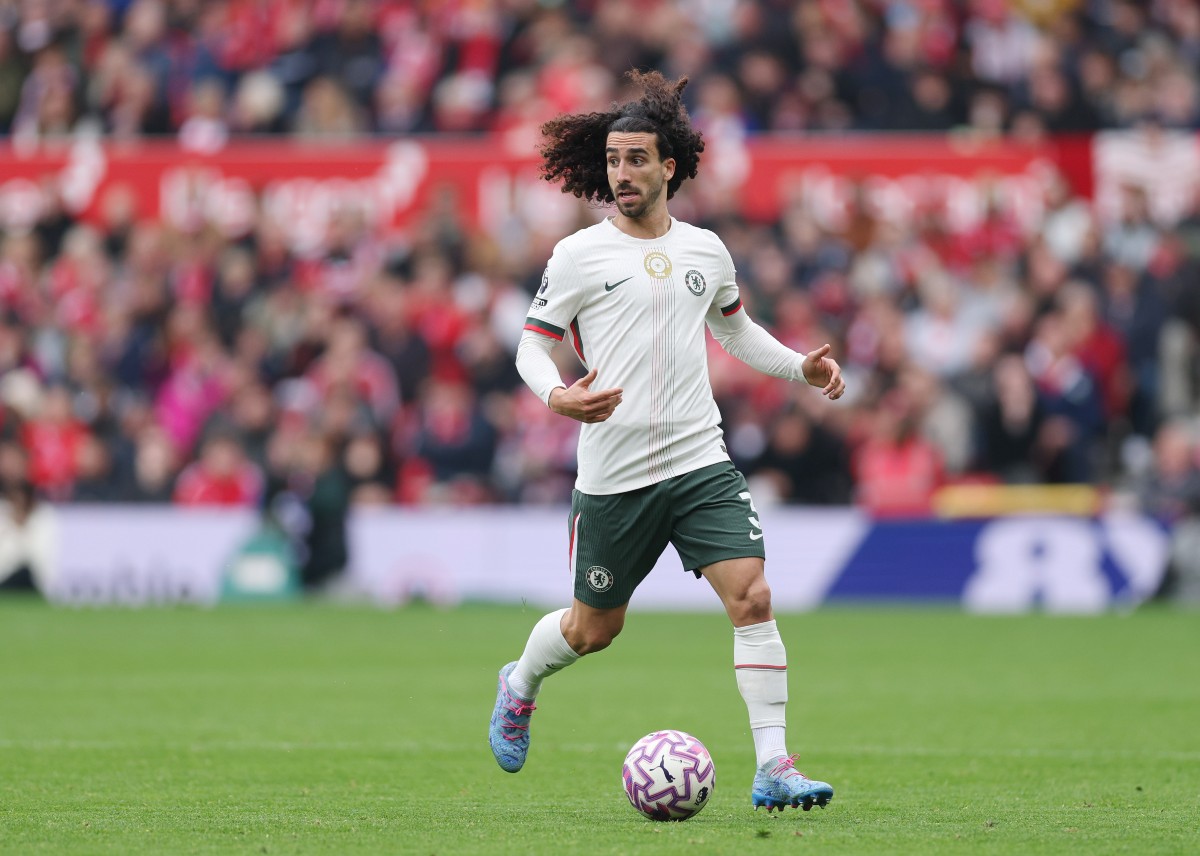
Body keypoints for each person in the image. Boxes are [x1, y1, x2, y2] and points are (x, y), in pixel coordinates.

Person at [488, 71, 846, 813]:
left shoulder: (707, 251)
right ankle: (519, 683)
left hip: (699, 462)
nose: (622, 172)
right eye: (614, 160)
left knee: (752, 596)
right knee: (593, 631)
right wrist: (557, 395)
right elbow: (530, 346)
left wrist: (800, 368)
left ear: (669, 165)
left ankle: (774, 764)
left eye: (637, 159)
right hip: (615, 478)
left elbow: (736, 330)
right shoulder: (579, 255)